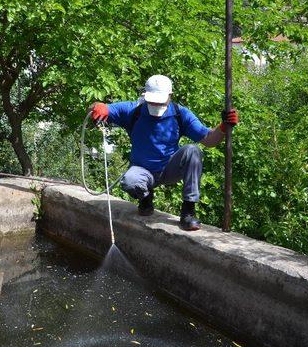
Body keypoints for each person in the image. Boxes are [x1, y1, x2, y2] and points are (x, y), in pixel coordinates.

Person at [89, 74, 238, 231]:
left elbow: (209, 139)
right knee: (129, 181)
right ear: (145, 95)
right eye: (151, 99)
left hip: (169, 169)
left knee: (193, 151)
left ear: (170, 96)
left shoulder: (181, 114)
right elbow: (96, 110)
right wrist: (97, 107)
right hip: (143, 172)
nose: (155, 103)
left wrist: (223, 128)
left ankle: (188, 210)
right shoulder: (132, 110)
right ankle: (146, 199)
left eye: (159, 99)